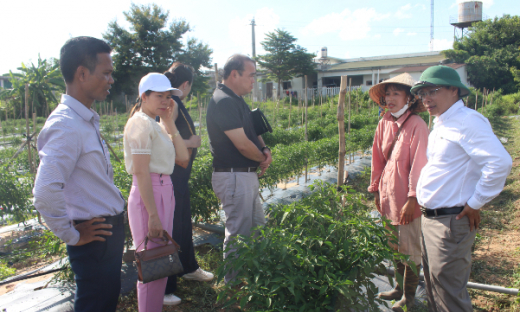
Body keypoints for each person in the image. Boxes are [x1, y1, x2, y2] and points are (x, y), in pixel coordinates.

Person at [33, 36, 125, 312]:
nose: (111, 80)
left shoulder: (83, 120)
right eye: (106, 73)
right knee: (95, 303)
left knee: (105, 299)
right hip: (93, 237)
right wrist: (72, 235)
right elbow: (45, 191)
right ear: (82, 74)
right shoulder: (67, 125)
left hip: (103, 233)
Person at [412, 65, 512, 312]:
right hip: (432, 219)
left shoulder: (467, 121)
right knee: (434, 285)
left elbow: (499, 162)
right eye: (423, 92)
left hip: (450, 221)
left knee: (449, 294)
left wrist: (475, 202)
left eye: (433, 91)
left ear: (454, 91)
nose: (426, 98)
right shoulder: (442, 123)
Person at [124, 73, 189, 312]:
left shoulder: (158, 124)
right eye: (159, 96)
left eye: (168, 96)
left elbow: (183, 158)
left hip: (165, 189)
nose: (165, 101)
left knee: (162, 262)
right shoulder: (140, 122)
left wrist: (170, 122)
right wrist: (152, 214)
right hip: (149, 193)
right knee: (151, 265)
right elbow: (141, 172)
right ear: (144, 96)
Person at [206, 54, 272, 283]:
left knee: (257, 228)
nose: (254, 80)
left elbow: (254, 132)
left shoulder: (236, 99)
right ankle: (232, 285)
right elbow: (243, 145)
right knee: (238, 232)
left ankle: (254, 277)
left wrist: (265, 150)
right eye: (251, 75)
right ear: (234, 74)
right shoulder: (223, 101)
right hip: (234, 176)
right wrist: (262, 158)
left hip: (245, 175)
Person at [368, 73, 429, 312]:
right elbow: (377, 158)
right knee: (393, 245)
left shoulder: (417, 125)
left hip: (407, 199)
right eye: (387, 94)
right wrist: (375, 190)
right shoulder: (384, 122)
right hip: (387, 196)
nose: (390, 98)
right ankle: (398, 288)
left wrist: (412, 199)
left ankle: (409, 297)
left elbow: (419, 164)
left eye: (396, 93)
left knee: (410, 248)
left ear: (410, 99)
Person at [161, 63, 214, 306]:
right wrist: (191, 141)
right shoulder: (170, 102)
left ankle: (188, 268)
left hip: (179, 179)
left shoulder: (173, 101)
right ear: (185, 85)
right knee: (170, 230)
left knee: (182, 225)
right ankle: (165, 287)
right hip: (169, 179)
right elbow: (163, 136)